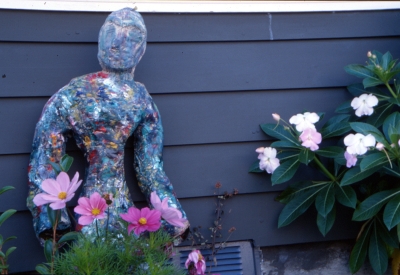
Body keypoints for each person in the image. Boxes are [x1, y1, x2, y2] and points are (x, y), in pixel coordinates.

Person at [27, 7, 189, 244]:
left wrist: (174, 218)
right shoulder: (74, 94)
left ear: (141, 49)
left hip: (121, 210)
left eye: (131, 36)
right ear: (101, 39)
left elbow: (150, 167)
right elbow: (44, 158)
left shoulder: (141, 98)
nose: (117, 43)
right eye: (111, 32)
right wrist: (53, 225)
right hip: (90, 211)